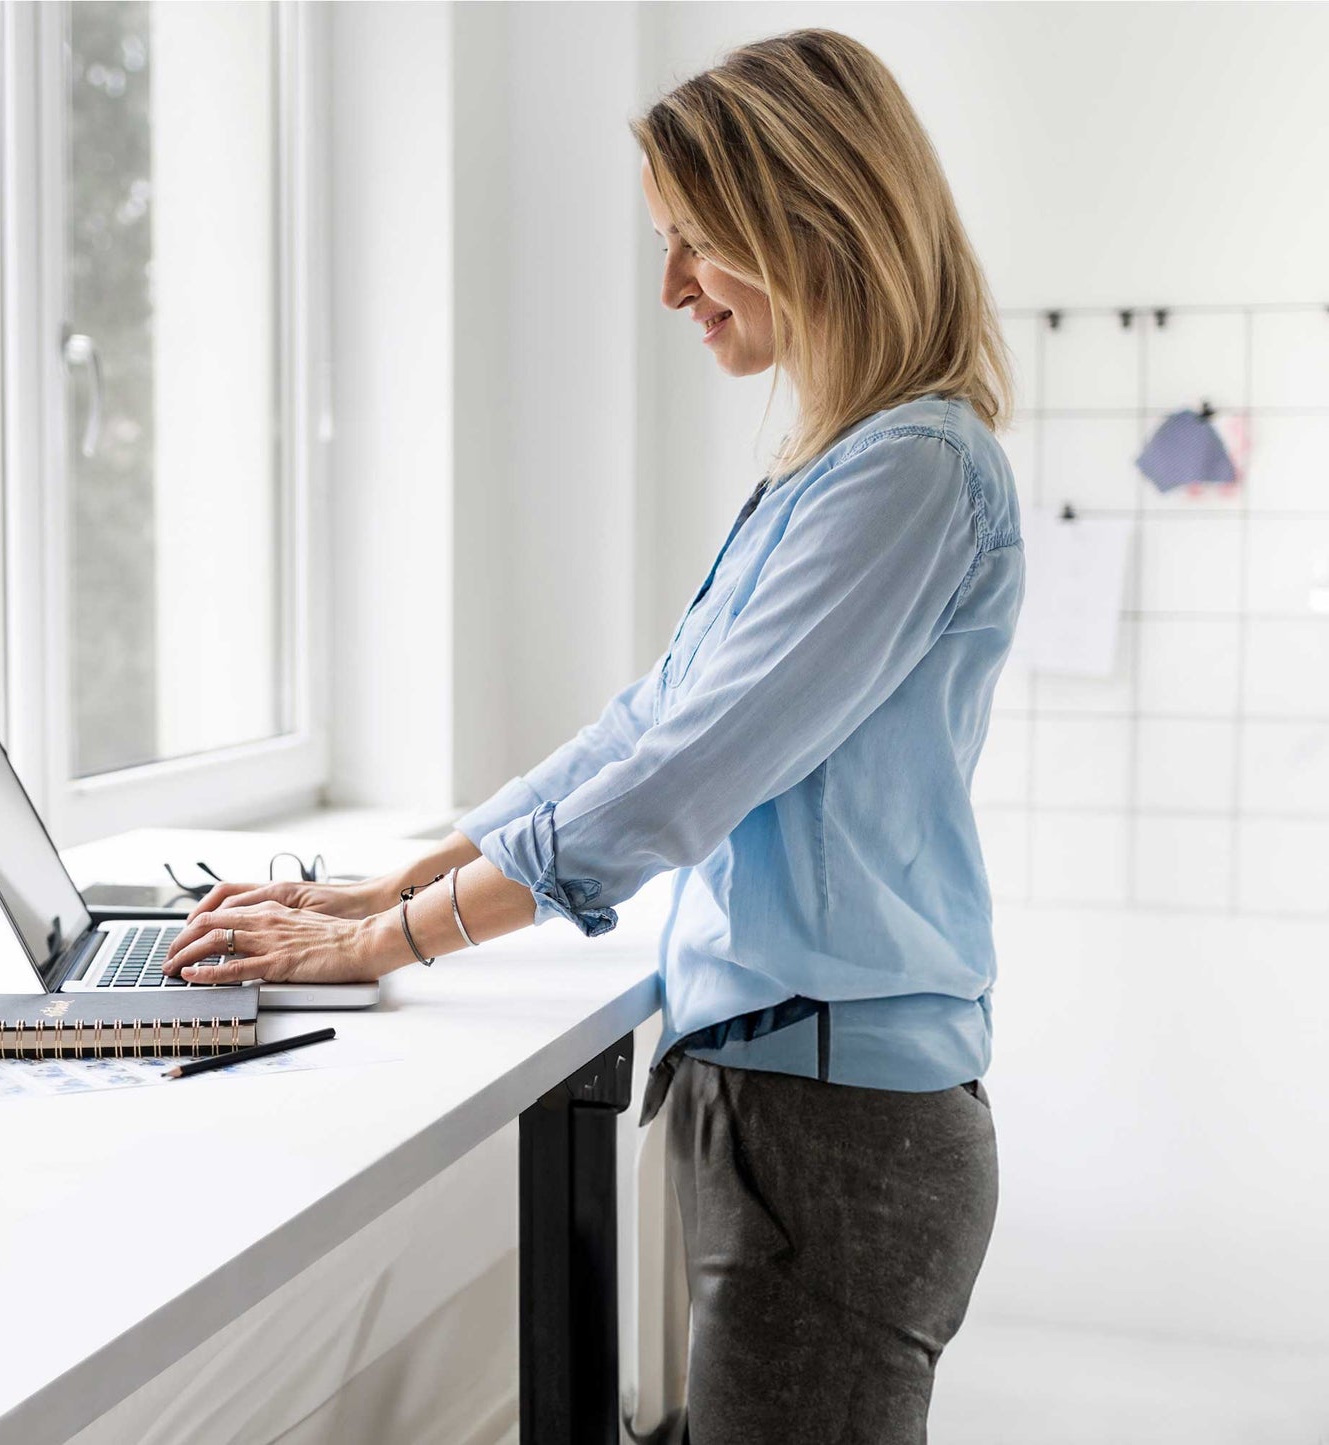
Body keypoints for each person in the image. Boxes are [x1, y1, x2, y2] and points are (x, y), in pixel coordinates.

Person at [165, 27, 1022, 1444]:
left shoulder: (913, 470)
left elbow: (678, 783)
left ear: (807, 220)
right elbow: (642, 728)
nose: (673, 285)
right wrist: (382, 885)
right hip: (785, 1097)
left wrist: (384, 945)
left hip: (836, 1121)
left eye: (698, 241)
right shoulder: (832, 468)